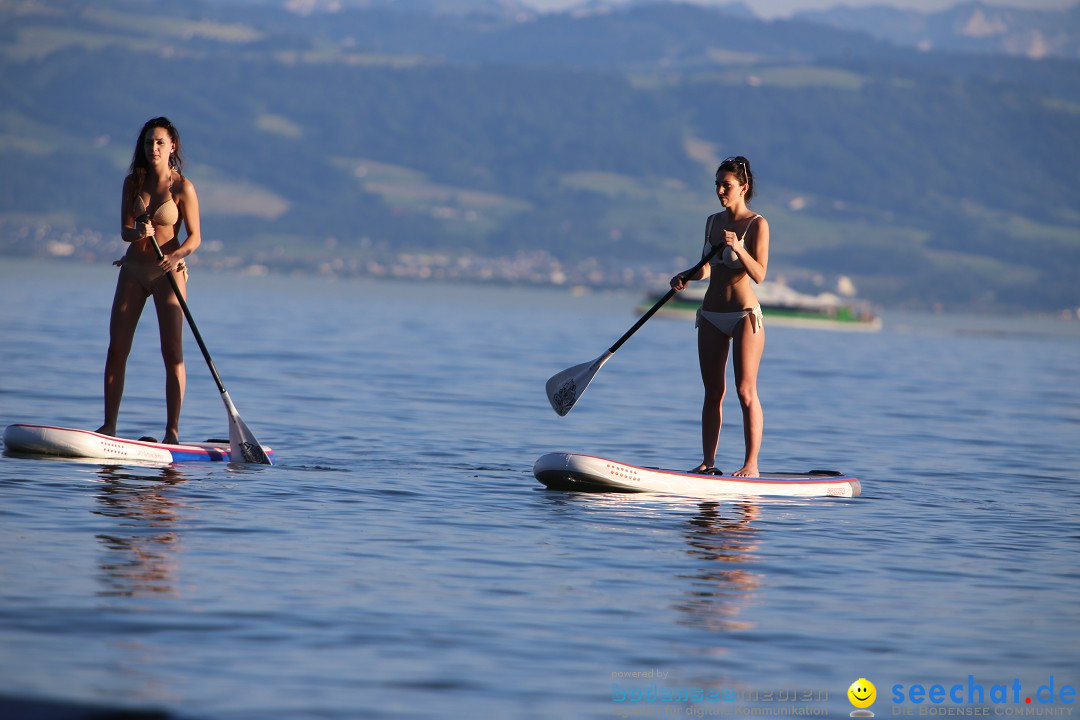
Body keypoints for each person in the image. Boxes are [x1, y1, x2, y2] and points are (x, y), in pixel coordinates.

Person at [96, 117, 201, 444]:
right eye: (147, 143)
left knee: (173, 353)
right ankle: (109, 426)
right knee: (117, 350)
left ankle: (171, 432)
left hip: (168, 274)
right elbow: (125, 231)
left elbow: (195, 238)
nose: (152, 148)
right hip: (134, 271)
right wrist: (137, 232)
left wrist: (177, 255)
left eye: (159, 142)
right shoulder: (133, 183)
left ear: (172, 147)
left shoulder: (183, 187)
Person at [670, 156, 769, 477]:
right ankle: (707, 462)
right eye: (717, 185)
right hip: (711, 314)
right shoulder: (713, 221)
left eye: (726, 185)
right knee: (713, 392)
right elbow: (707, 267)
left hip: (743, 315)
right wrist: (686, 274)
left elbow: (759, 274)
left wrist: (740, 249)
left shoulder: (758, 224)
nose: (720, 191)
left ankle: (750, 465)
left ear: (744, 188)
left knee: (744, 390)